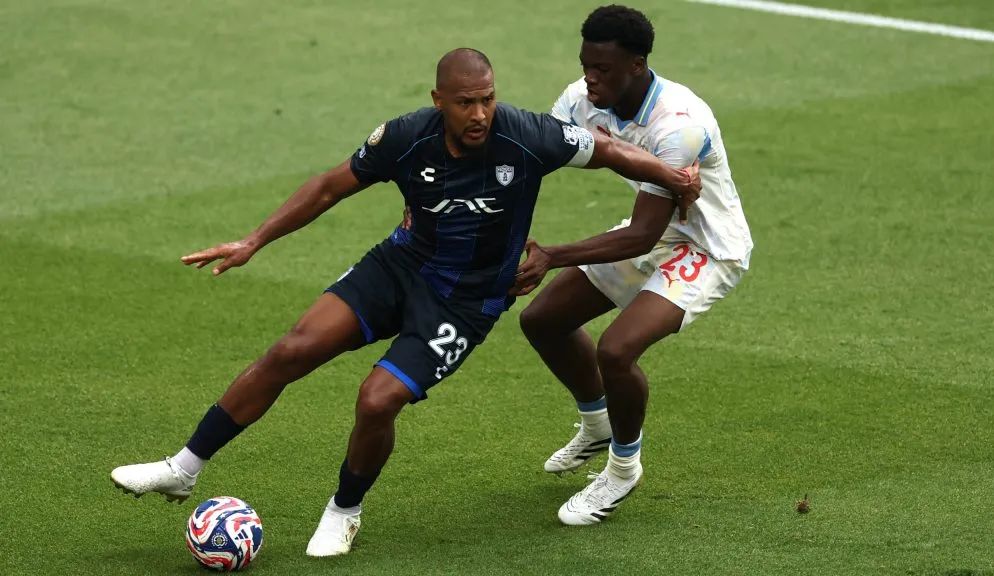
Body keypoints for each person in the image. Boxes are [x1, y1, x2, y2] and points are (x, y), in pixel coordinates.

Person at [110, 47, 702, 556]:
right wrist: (254, 240)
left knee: (376, 400)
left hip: (466, 303)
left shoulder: (527, 135)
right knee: (293, 349)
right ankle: (181, 470)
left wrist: (674, 179)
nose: (479, 114)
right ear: (438, 100)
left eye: (487, 99)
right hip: (398, 268)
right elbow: (328, 186)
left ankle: (344, 510)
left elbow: (613, 153)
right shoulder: (403, 137)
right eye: (465, 102)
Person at [514, 5, 754, 525]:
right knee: (543, 320)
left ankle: (623, 468)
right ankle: (597, 424)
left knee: (617, 350)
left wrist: (553, 255)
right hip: (658, 229)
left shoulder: (679, 125)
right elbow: (535, 157)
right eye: (586, 64)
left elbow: (643, 234)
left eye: (603, 69)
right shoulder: (582, 100)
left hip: (707, 247)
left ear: (638, 66)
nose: (589, 77)